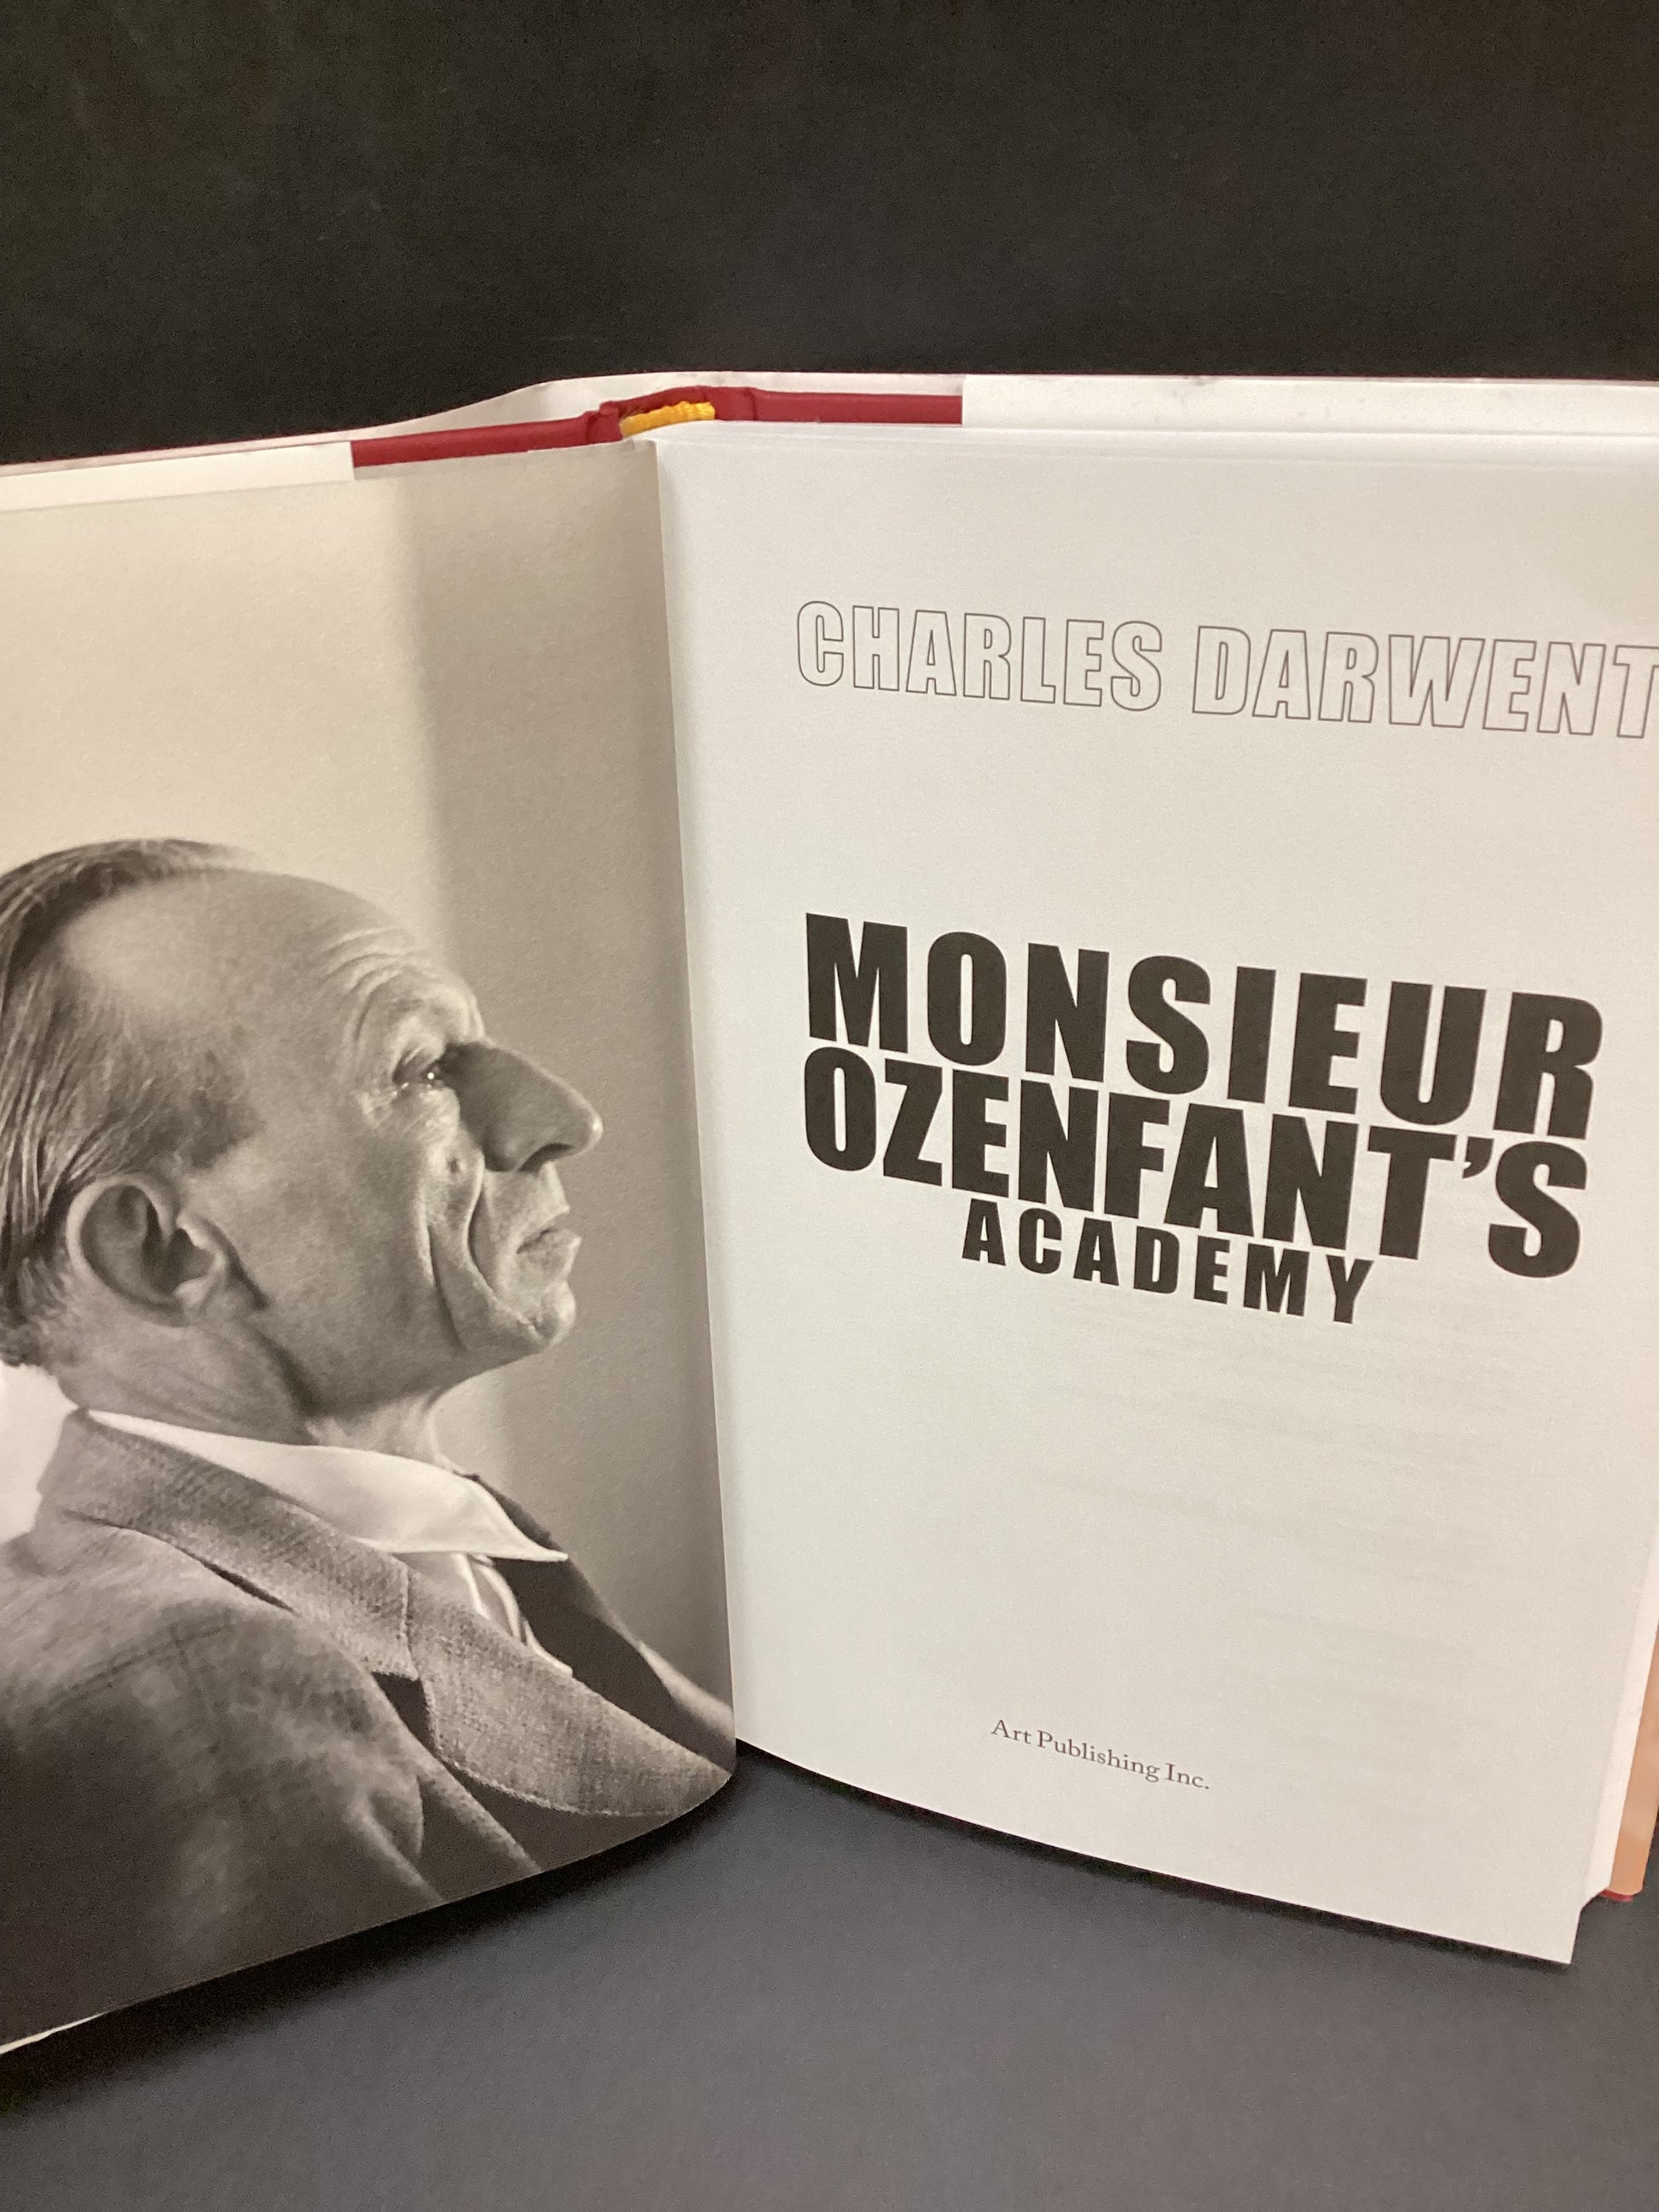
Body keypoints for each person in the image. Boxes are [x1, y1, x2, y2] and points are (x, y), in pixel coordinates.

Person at [0, 839, 731, 2043]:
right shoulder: (196, 1685)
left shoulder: (428, 1547)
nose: (563, 1119)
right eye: (422, 1069)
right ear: (161, 1251)